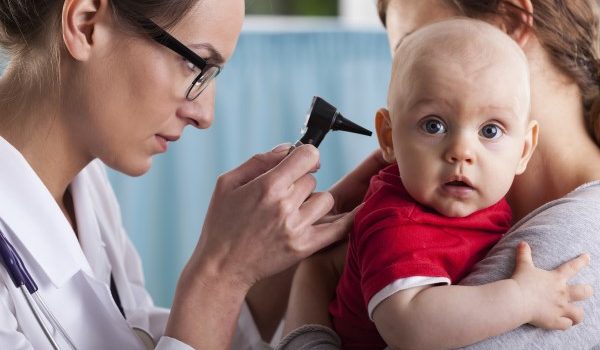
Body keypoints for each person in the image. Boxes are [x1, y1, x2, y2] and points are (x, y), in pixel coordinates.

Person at [0, 0, 382, 349]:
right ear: (85, 25)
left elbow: (145, 337)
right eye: (195, 64)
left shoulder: (86, 189)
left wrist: (265, 264)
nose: (205, 115)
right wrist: (219, 275)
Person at [279, 0, 600, 349]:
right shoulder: (403, 216)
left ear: (508, 21)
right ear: (388, 135)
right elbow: (409, 322)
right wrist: (519, 298)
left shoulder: (574, 232)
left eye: (490, 130)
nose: (460, 151)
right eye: (433, 124)